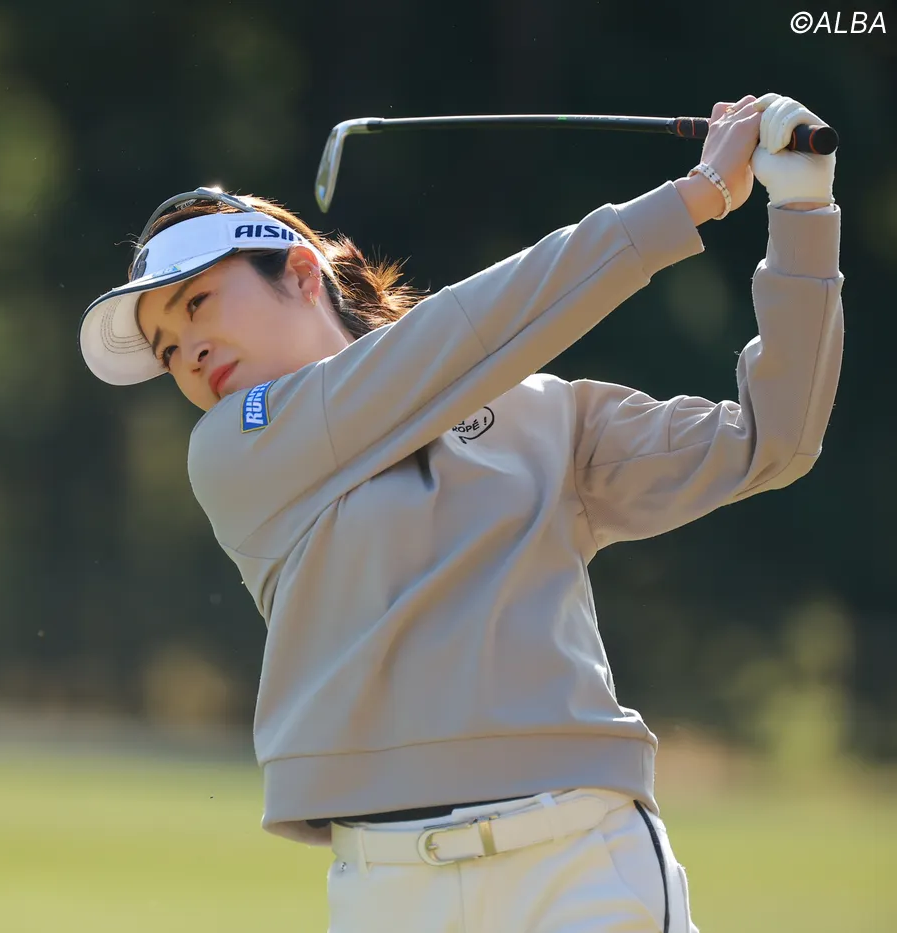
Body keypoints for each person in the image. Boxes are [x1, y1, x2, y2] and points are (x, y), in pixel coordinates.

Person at [77, 93, 842, 932]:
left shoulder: (541, 412)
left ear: (299, 273)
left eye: (196, 305)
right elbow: (452, 342)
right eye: (166, 350)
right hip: (391, 889)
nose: (188, 354)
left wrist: (803, 210)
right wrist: (693, 197)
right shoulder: (234, 447)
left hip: (580, 863)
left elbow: (772, 440)